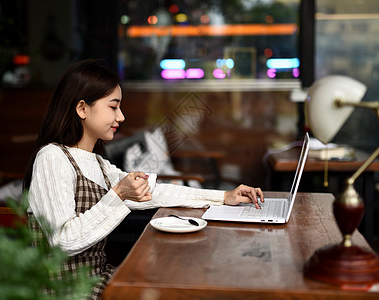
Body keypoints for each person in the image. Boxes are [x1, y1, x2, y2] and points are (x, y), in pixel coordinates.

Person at [23, 59, 264, 299]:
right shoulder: (52, 157)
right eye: (113, 107)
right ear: (82, 108)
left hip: (97, 281)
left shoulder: (99, 164)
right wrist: (120, 195)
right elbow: (63, 240)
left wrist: (223, 196)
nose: (122, 117)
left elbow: (156, 191)